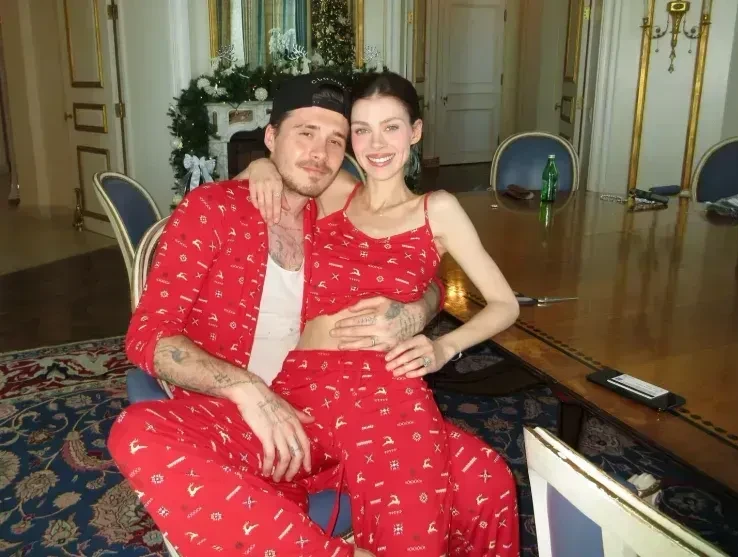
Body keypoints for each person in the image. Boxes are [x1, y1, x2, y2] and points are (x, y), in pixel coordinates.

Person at [108, 73, 518, 557]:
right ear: (271, 137)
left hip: (366, 401)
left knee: (487, 478)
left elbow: (411, 262)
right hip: (257, 411)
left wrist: (422, 311)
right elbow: (147, 335)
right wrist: (246, 389)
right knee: (137, 431)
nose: (319, 153)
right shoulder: (213, 210)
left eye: (336, 139)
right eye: (305, 133)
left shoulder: (329, 205)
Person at [241, 72, 521, 556]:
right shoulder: (337, 191)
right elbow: (282, 161)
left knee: (487, 479)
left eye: (391, 127)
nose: (376, 144)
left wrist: (443, 348)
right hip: (309, 379)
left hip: (388, 384)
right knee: (427, 510)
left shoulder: (437, 209)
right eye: (362, 130)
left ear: (415, 131)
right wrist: (261, 164)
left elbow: (505, 304)